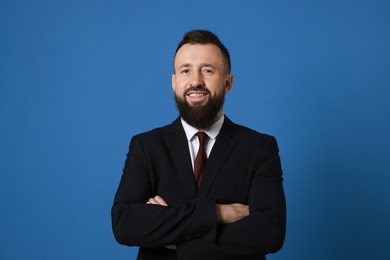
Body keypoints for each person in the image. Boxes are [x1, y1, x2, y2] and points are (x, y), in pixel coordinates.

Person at [111, 29, 286, 260]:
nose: (196, 81)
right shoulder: (146, 146)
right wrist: (216, 213)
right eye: (186, 70)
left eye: (208, 70)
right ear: (174, 82)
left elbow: (269, 232)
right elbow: (125, 224)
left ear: (228, 82)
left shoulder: (259, 147)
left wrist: (176, 237)